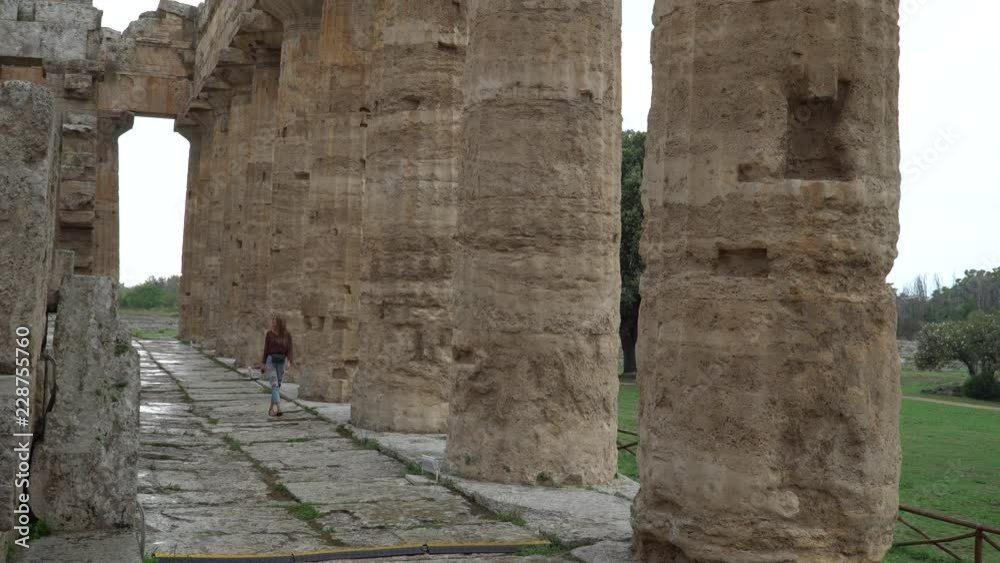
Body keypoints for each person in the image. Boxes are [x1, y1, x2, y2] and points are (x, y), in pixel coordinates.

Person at [259, 316, 294, 417]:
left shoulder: (287, 335)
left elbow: (290, 349)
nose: (273, 322)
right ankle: (278, 408)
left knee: (277, 385)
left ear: (280, 322)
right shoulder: (269, 334)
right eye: (273, 320)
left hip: (281, 362)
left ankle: (271, 409)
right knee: (274, 384)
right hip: (271, 361)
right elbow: (266, 349)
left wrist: (289, 361)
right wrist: (263, 363)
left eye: (275, 321)